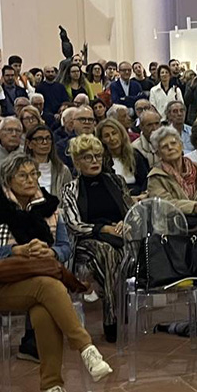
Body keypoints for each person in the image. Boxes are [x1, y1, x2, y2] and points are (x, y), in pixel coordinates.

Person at [0, 155, 112, 392]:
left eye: (33, 174)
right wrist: (19, 249)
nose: (30, 180)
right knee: (49, 287)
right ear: (8, 180)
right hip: (3, 285)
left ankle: (52, 390)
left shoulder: (49, 206)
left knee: (44, 308)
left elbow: (64, 247)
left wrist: (47, 252)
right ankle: (85, 348)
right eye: (23, 176)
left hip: (42, 281)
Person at [62, 134, 132, 341]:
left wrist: (124, 223)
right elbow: (74, 225)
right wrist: (102, 229)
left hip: (119, 236)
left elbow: (131, 212)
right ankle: (112, 316)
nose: (94, 161)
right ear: (77, 162)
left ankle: (118, 308)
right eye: (87, 157)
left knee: (118, 252)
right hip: (87, 241)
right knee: (107, 252)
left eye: (98, 157)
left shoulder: (116, 181)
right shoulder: (71, 189)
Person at [146, 126, 197, 222]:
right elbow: (165, 204)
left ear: (181, 145)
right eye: (164, 146)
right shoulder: (156, 177)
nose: (170, 148)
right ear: (158, 154)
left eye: (173, 143)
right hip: (174, 227)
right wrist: (195, 207)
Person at [97, 116, 149, 195]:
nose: (112, 138)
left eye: (114, 133)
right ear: (102, 140)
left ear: (121, 134)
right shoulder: (101, 161)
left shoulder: (135, 155)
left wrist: (142, 195)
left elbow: (145, 181)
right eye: (107, 136)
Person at [19, 123, 71, 195]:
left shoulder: (63, 170)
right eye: (40, 139)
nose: (45, 142)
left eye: (48, 138)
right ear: (29, 144)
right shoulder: (20, 169)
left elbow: (68, 197)